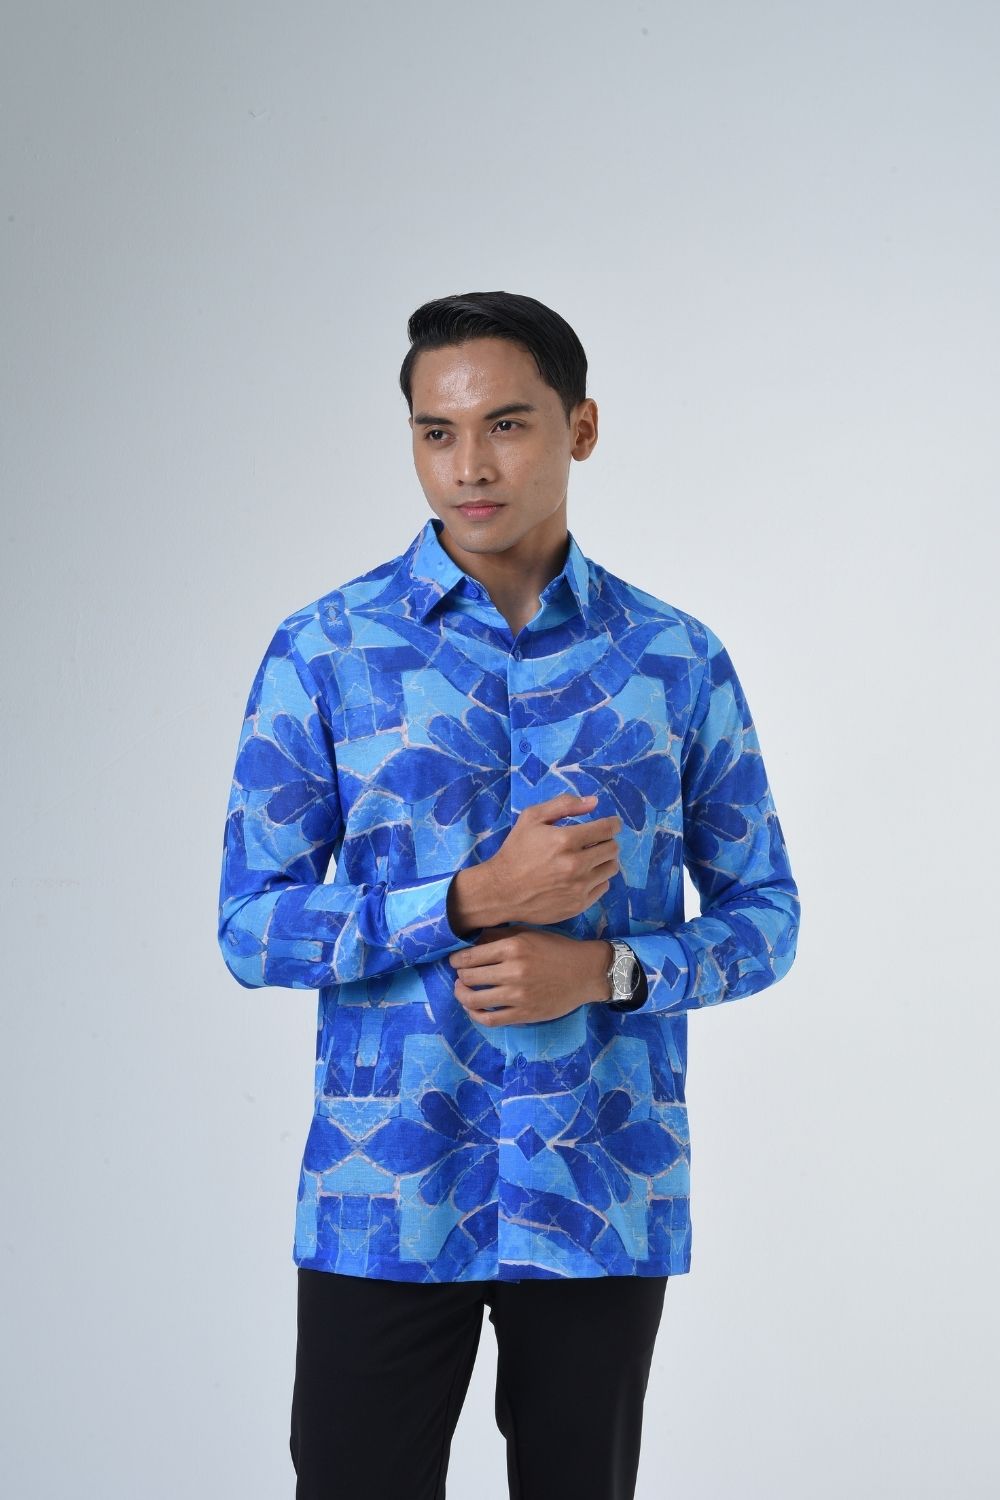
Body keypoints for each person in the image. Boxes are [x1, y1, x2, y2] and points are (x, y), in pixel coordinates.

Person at [216, 290, 800, 1499]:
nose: (468, 466)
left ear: (580, 428)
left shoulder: (674, 661)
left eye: (506, 425)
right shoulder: (324, 650)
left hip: (601, 1186)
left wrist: (609, 971)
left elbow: (767, 916)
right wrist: (467, 899)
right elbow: (251, 926)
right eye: (436, 432)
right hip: (385, 1190)